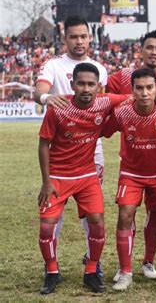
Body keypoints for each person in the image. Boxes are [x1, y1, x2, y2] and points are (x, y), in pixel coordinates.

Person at [37, 63, 126, 294]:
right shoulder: (58, 108)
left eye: (91, 84)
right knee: (47, 227)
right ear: (72, 84)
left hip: (87, 175)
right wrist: (46, 182)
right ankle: (52, 272)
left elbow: (134, 96)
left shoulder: (105, 102)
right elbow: (44, 145)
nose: (86, 88)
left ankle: (91, 270)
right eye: (81, 83)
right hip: (57, 176)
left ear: (99, 87)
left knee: (97, 221)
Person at [102, 68, 156, 294]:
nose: (144, 93)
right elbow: (103, 129)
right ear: (132, 90)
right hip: (132, 174)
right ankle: (126, 272)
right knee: (125, 214)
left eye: (149, 88)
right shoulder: (122, 112)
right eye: (139, 88)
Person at [34, 15, 108, 277]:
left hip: (92, 153)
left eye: (83, 36)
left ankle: (93, 263)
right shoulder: (53, 65)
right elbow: (39, 91)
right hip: (60, 154)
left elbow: (106, 103)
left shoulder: (99, 67)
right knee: (54, 216)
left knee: (93, 215)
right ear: (65, 39)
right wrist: (47, 97)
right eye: (73, 36)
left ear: (90, 38)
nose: (79, 41)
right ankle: (51, 267)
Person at [106, 30, 156, 281]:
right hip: (133, 163)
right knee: (127, 213)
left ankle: (149, 262)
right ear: (141, 50)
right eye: (149, 47)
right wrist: (133, 97)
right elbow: (104, 96)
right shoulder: (124, 76)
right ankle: (123, 267)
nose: (154, 52)